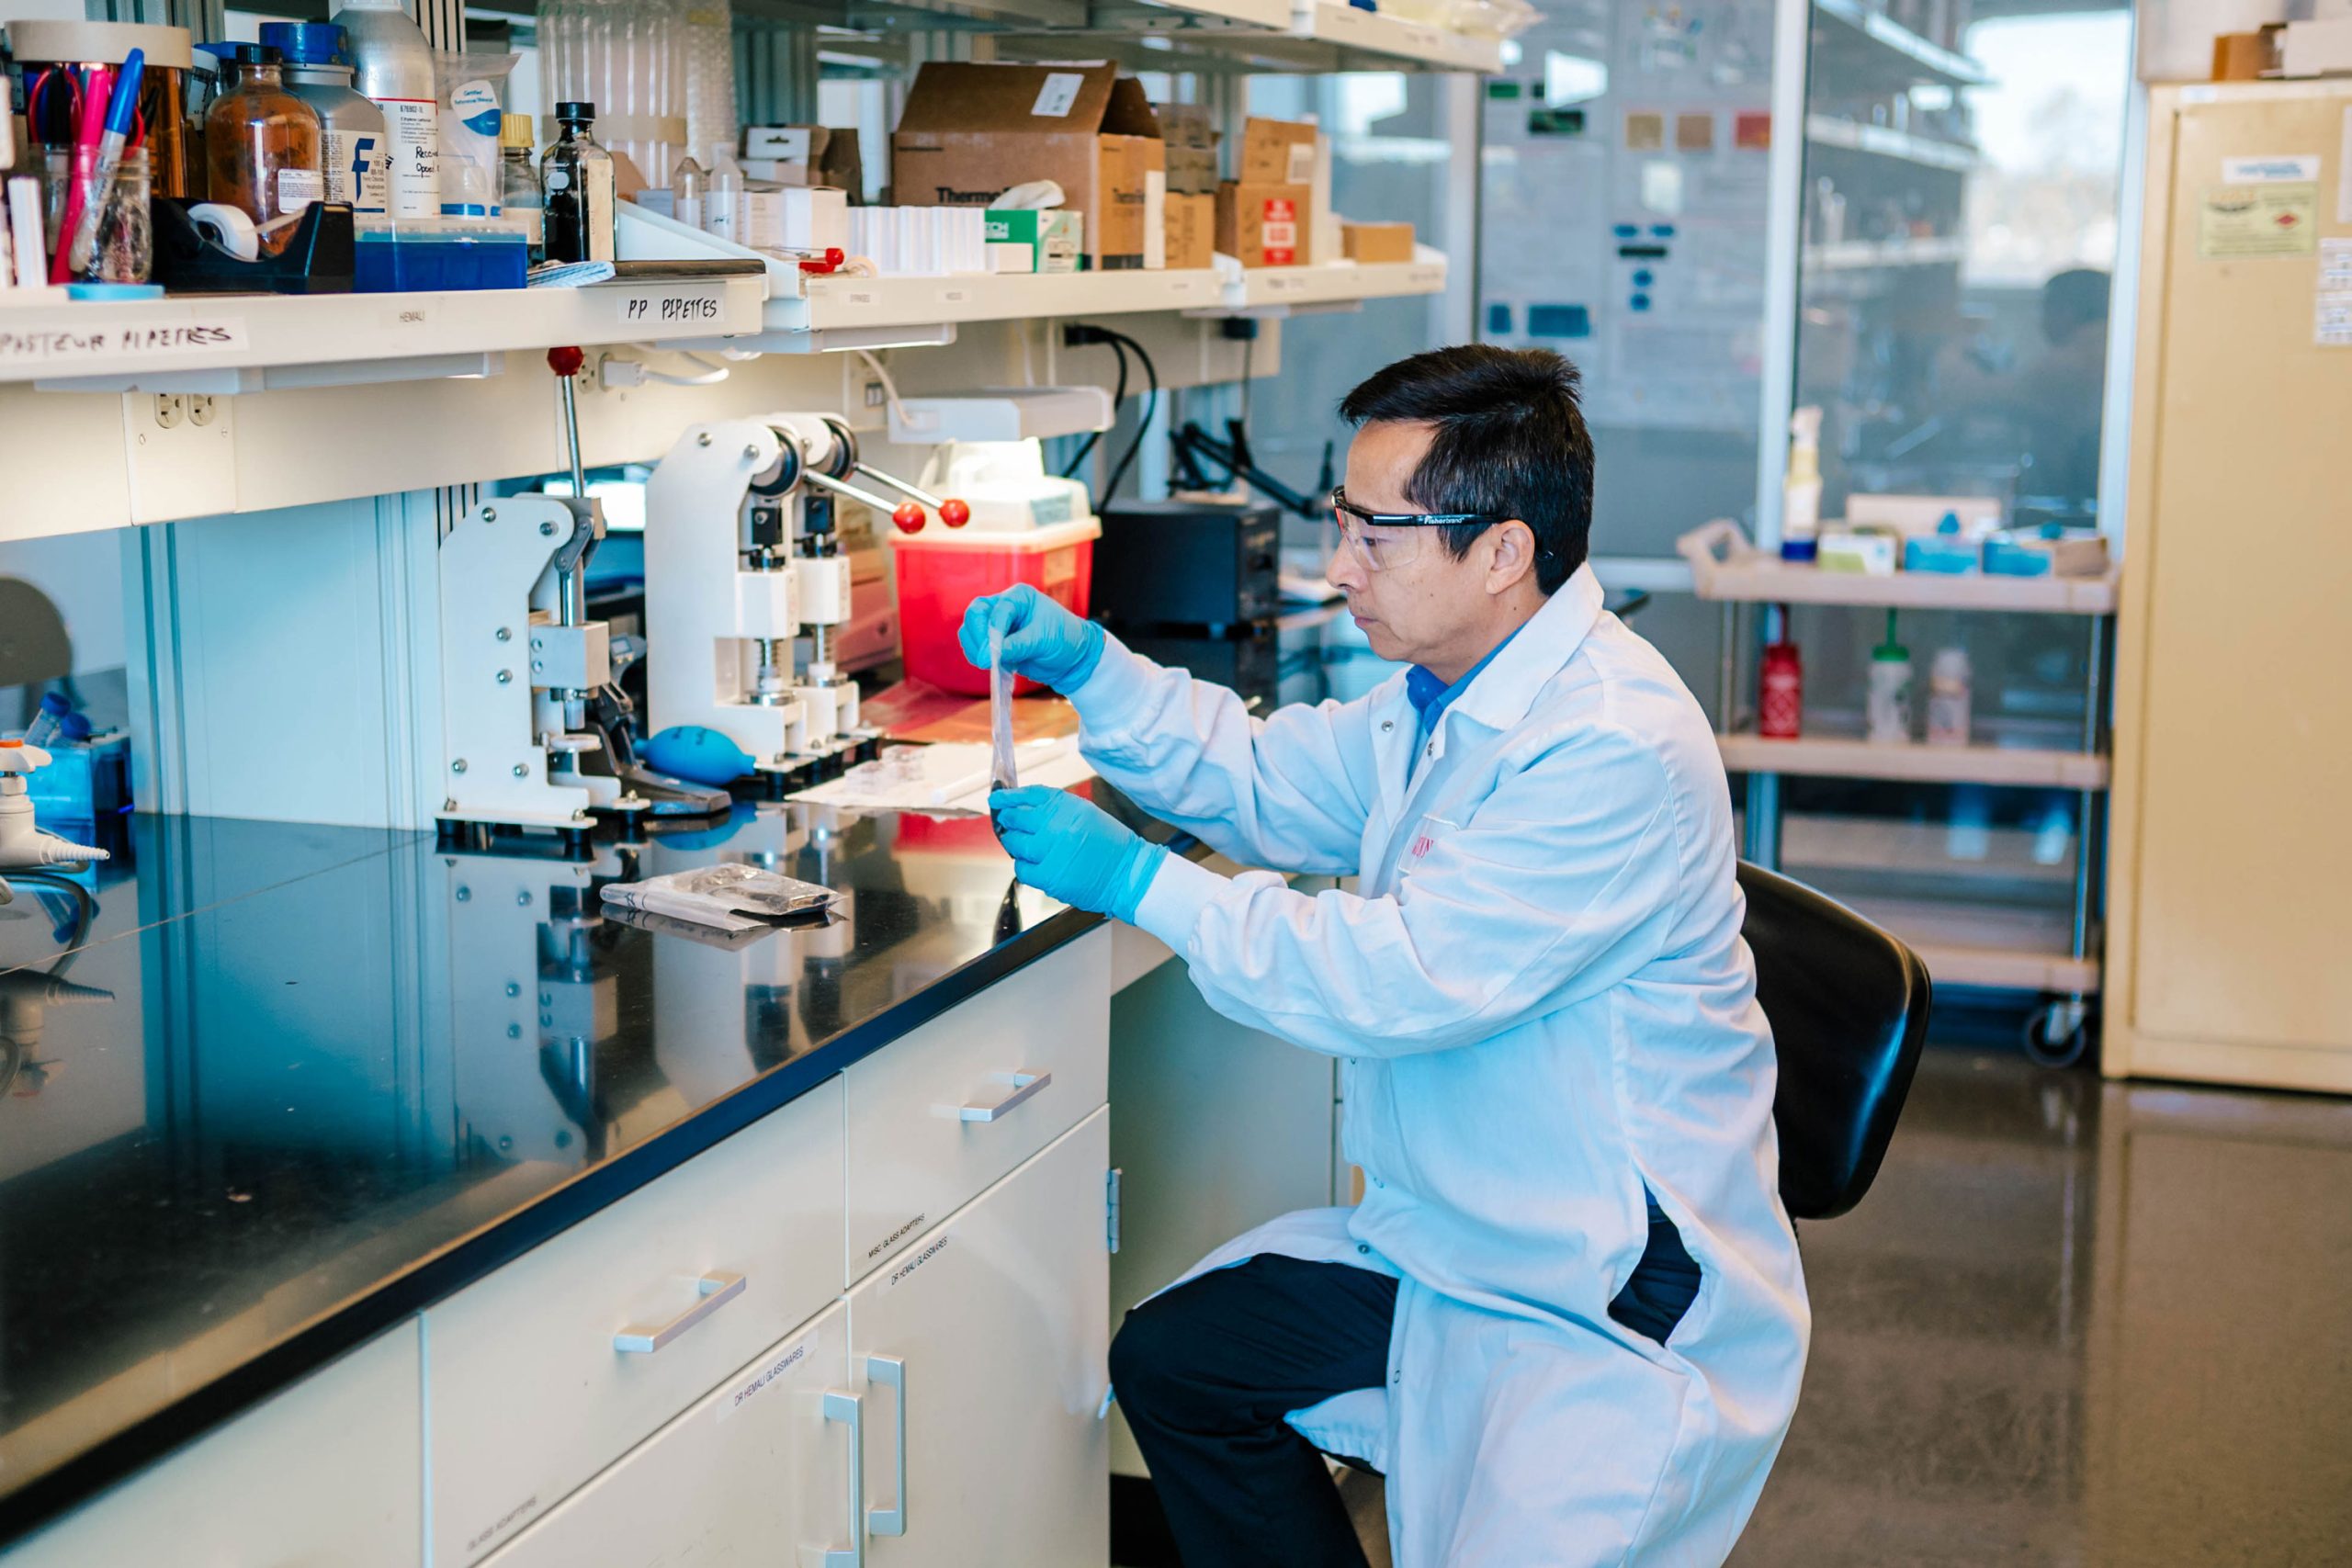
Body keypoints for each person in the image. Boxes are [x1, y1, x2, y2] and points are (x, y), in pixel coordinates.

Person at [962, 345, 1808, 1568]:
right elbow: (1260, 781)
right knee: (1182, 1365)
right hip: (1455, 1239)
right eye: (1338, 527)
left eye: (1376, 536)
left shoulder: (1608, 745)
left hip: (1598, 1293)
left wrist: (1144, 884)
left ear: (1506, 551)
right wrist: (1096, 669)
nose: (1335, 568)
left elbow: (1398, 980)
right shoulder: (1447, 697)